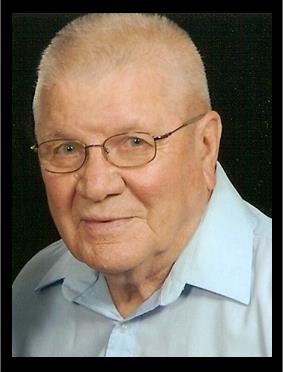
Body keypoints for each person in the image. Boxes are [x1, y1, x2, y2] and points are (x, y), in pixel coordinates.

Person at [12, 13, 272, 357]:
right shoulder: (27, 294)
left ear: (206, 145)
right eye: (67, 148)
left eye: (135, 143)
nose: (95, 186)